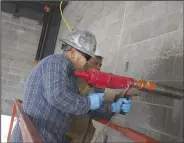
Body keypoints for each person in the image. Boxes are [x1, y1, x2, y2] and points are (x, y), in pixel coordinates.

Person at [10, 29, 131, 143]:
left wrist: (113, 108)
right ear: (73, 53)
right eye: (87, 57)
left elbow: (77, 108)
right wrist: (88, 102)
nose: (87, 63)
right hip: (32, 138)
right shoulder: (57, 61)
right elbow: (58, 97)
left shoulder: (68, 76)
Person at [66, 48, 132, 142]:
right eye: (96, 63)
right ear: (85, 62)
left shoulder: (90, 84)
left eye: (100, 65)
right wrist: (113, 106)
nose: (98, 68)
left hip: (84, 138)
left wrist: (118, 99)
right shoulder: (72, 81)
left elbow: (99, 104)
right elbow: (86, 107)